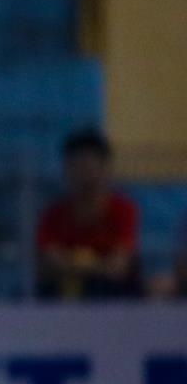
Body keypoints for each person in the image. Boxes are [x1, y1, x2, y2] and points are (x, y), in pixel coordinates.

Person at [36, 128, 140, 300]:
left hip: (112, 295)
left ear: (105, 168)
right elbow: (49, 263)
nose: (84, 174)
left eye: (89, 165)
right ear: (66, 169)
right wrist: (94, 265)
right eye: (77, 165)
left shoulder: (123, 210)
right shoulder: (52, 215)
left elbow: (118, 267)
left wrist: (77, 264)